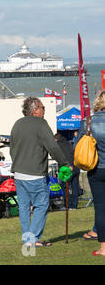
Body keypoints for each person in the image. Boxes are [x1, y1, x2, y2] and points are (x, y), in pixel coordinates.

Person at [10, 97, 71, 247]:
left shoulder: (17, 124)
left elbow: (12, 149)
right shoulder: (41, 124)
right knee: (41, 205)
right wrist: (64, 163)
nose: (44, 111)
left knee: (24, 208)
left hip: (18, 173)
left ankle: (28, 240)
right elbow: (53, 147)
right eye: (43, 108)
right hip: (35, 173)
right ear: (36, 110)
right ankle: (33, 239)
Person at [77, 90, 105, 256]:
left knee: (101, 208)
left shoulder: (88, 122)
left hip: (96, 169)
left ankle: (103, 248)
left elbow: (77, 147)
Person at [54, 133, 80, 210]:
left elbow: (60, 157)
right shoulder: (69, 143)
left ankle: (67, 205)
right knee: (75, 186)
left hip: (66, 167)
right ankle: (74, 205)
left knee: (64, 186)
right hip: (75, 166)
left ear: (56, 139)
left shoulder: (59, 145)